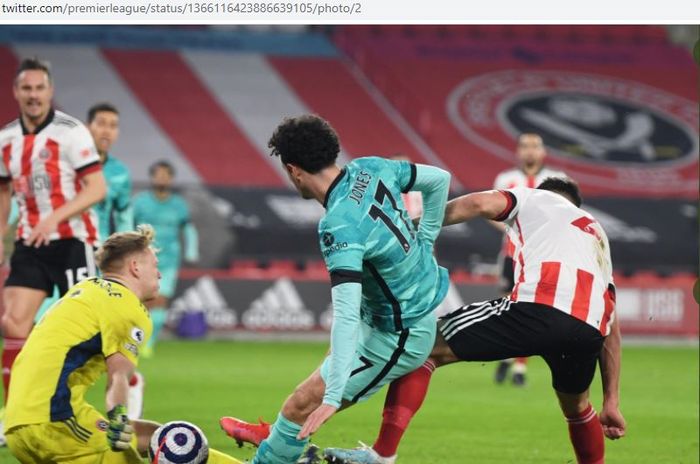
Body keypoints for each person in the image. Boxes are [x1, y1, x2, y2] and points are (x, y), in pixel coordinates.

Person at [324, 177, 626, 464]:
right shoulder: (597, 235)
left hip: (540, 307)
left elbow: (479, 204)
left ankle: (382, 454)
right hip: (588, 329)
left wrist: (411, 228)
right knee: (577, 408)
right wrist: (611, 401)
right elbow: (611, 324)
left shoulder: (536, 197)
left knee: (423, 346)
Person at [219, 114, 451, 464]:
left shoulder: (339, 224)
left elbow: (344, 313)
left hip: (400, 333)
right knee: (301, 403)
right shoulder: (371, 168)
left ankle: (276, 446)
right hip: (388, 316)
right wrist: (427, 236)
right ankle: (281, 442)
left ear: (294, 170)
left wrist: (334, 392)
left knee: (303, 403)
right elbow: (440, 179)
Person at [3, 225, 241, 463]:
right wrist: (118, 417)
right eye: (155, 266)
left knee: (167, 438)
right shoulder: (127, 307)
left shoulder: (84, 290)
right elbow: (118, 375)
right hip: (56, 422)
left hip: (18, 424)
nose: (159, 274)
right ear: (135, 267)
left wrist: (121, 426)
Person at [0, 58, 107, 443]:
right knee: (13, 324)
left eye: (39, 88)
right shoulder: (6, 138)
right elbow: (3, 190)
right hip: (31, 242)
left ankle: (98, 402)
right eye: (26, 88)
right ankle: (16, 418)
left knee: (87, 332)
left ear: (49, 91)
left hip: (74, 242)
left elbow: (96, 189)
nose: (33, 95)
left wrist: (54, 217)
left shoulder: (71, 132)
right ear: (16, 92)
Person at [491, 133, 567, 386]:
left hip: (542, 257)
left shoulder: (558, 180)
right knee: (506, 307)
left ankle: (519, 368)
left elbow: (568, 214)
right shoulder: (505, 179)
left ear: (543, 151)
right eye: (525, 146)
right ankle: (506, 356)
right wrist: (512, 229)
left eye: (535, 146)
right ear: (518, 152)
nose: (530, 151)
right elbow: (491, 211)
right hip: (512, 253)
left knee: (530, 307)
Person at [132, 160, 199, 356]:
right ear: (152, 177)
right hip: (142, 259)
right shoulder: (140, 201)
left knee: (160, 301)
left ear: (171, 178)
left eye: (166, 174)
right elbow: (127, 223)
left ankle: (148, 344)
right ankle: (137, 339)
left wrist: (191, 251)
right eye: (158, 174)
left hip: (168, 260)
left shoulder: (178, 205)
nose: (162, 178)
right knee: (143, 303)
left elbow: (188, 228)